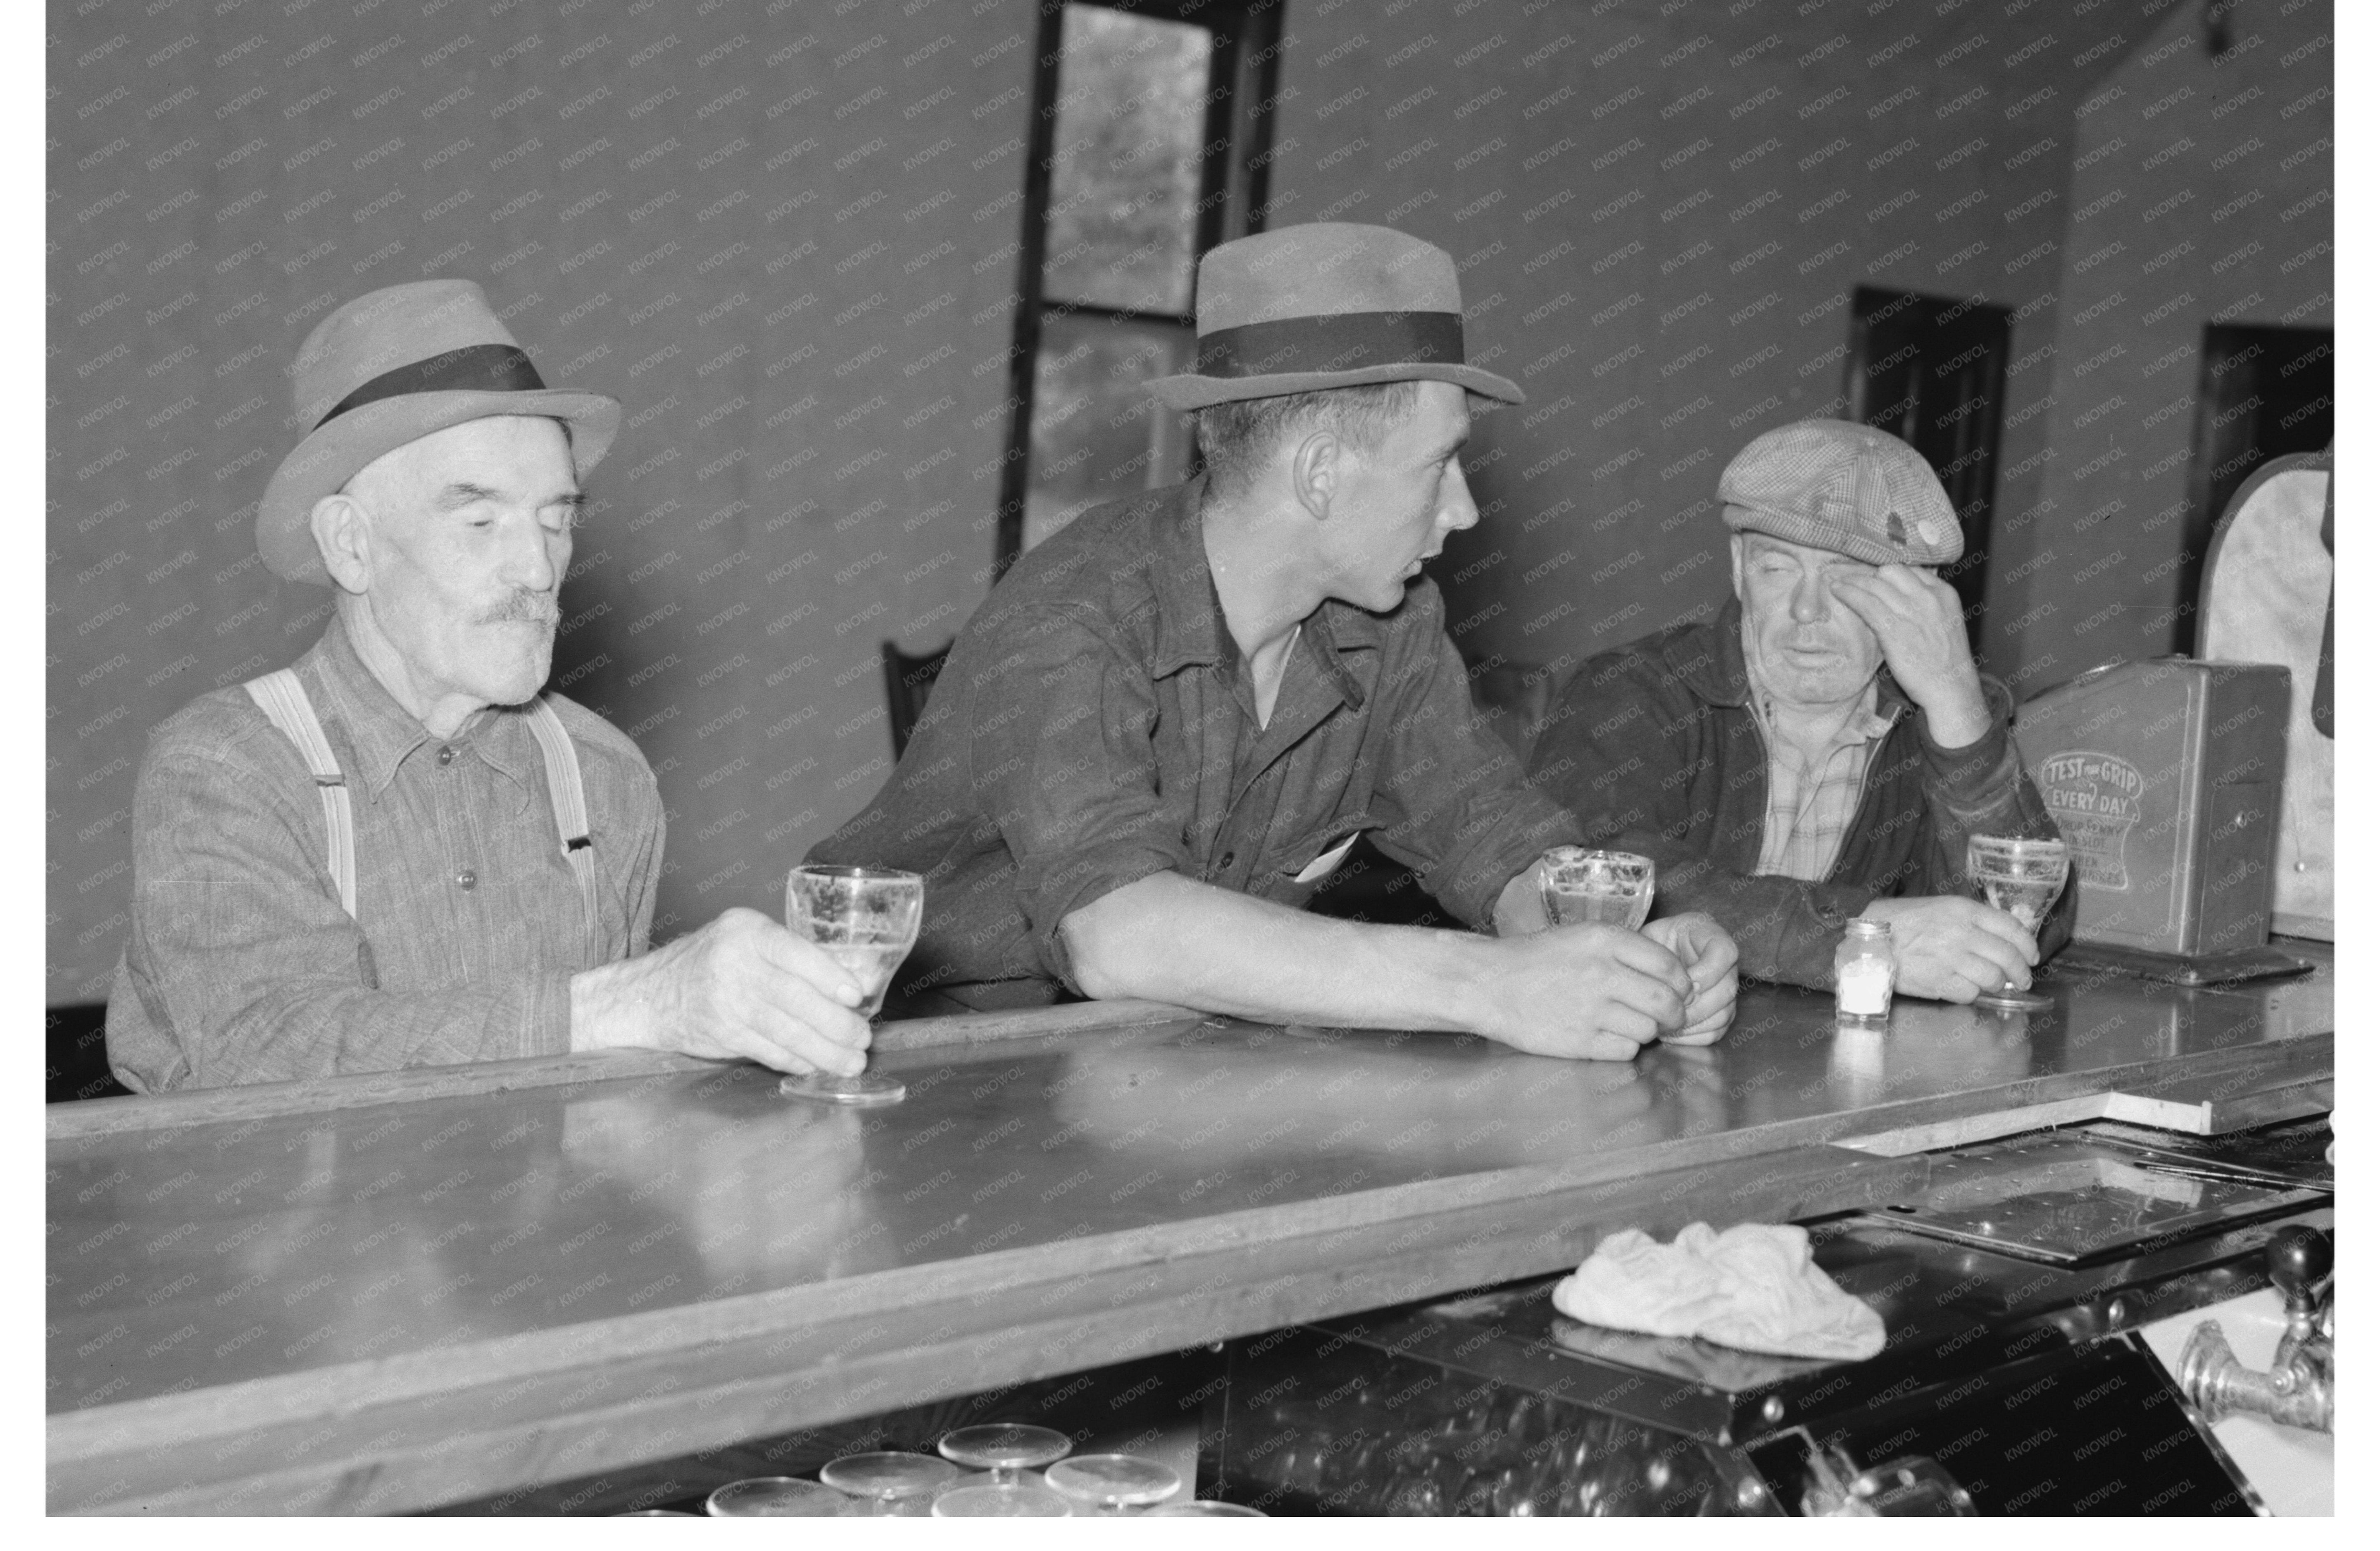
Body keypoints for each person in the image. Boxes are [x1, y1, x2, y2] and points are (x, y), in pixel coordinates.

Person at [809, 224, 1737, 1059]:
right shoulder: (1073, 618)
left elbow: (1489, 835)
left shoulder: (1391, 624)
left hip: (1168, 1064)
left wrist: (1610, 952)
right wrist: (1489, 986)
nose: (1463, 510)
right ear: (1322, 474)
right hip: (931, 1078)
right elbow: (1116, 932)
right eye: (1438, 464)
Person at [109, 281, 871, 1090]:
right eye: (481, 523)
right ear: (350, 546)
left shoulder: (604, 777)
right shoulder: (226, 769)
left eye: (556, 520)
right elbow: (268, 1056)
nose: (540, 570)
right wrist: (631, 1004)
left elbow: (604, 1107)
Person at [1526, 418, 2075, 1003]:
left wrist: (1959, 706)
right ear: (1739, 567)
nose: (1808, 609)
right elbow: (1592, 886)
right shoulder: (1633, 694)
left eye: (1848, 577)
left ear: (1918, 599)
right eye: (1778, 567)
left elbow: (2032, 924)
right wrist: (1862, 938)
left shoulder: (1931, 726)